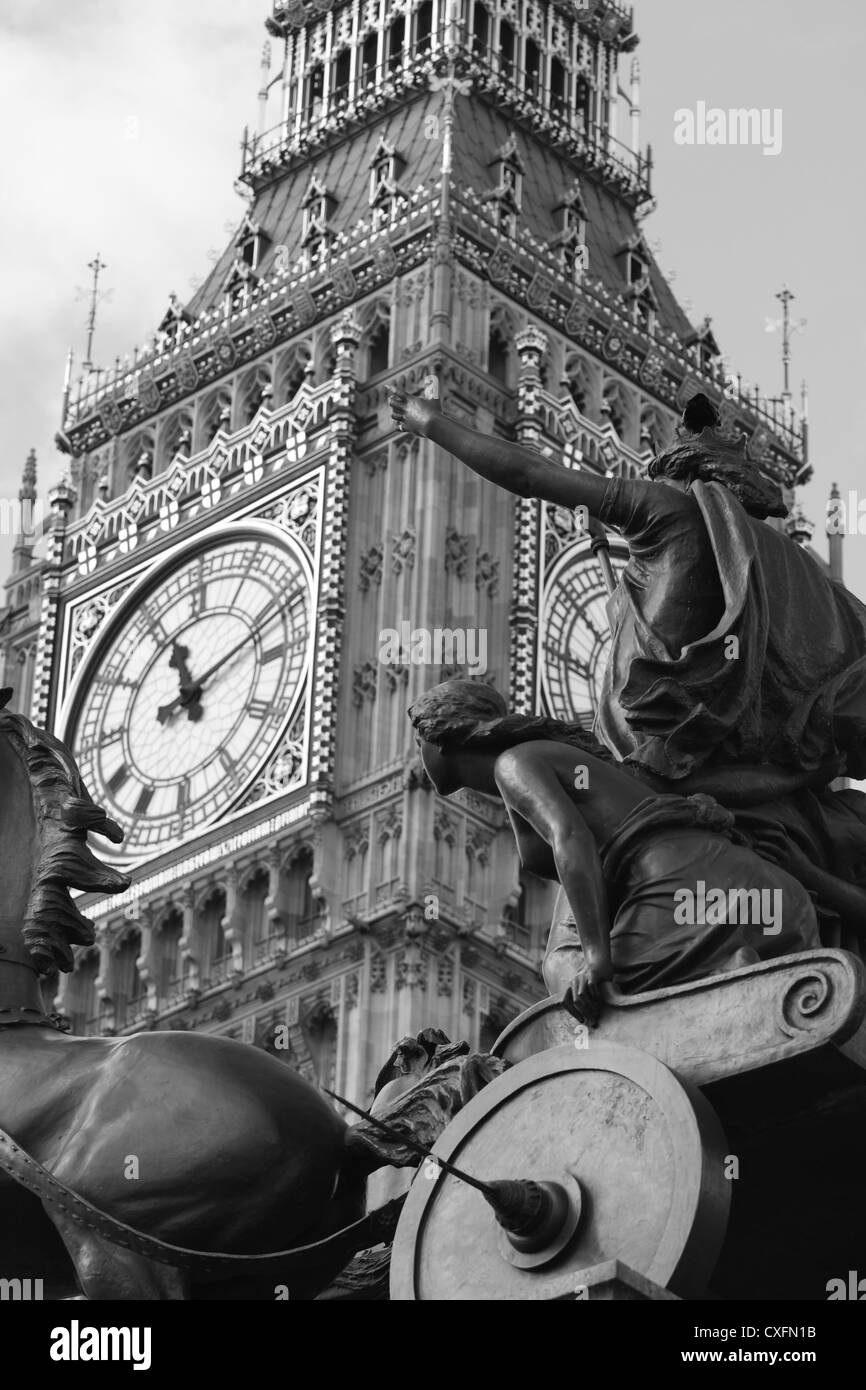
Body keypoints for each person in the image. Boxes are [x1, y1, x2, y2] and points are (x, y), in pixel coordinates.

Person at [390, 389, 866, 785]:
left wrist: (432, 423)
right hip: (754, 778)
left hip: (655, 763)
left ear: (675, 470)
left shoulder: (666, 508)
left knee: (521, 767)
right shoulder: (798, 569)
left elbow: (528, 474)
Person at [407, 678, 831, 1026]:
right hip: (771, 899)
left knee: (583, 1013)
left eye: (418, 741)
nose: (418, 756)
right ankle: (729, 970)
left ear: (439, 739)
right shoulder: (555, 760)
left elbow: (570, 840)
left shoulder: (515, 765)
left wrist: (596, 958)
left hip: (695, 900)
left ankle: (726, 975)